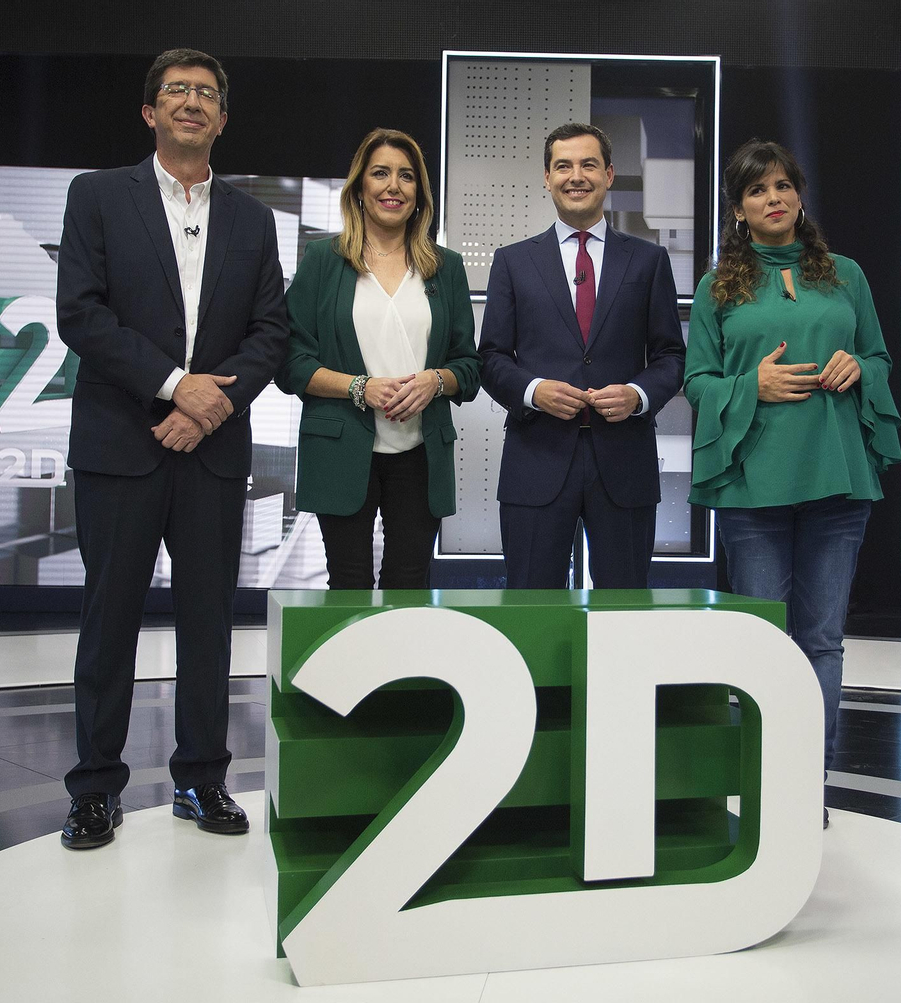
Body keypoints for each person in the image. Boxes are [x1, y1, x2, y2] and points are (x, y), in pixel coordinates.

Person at [54, 48, 289, 849]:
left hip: (212, 449)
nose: (191, 102)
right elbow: (80, 315)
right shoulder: (96, 197)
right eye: (176, 91)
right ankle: (94, 789)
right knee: (108, 621)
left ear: (223, 119)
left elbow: (270, 335)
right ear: (149, 112)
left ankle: (202, 779)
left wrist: (210, 403)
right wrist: (171, 383)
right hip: (122, 443)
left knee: (208, 625)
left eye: (207, 94)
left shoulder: (254, 220)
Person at [684, 140, 901, 812]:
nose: (772, 198)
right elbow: (697, 382)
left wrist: (859, 369)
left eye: (782, 185)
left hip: (836, 481)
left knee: (821, 640)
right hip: (754, 487)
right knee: (762, 643)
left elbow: (878, 357)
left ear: (799, 196)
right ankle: (760, 786)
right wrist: (752, 383)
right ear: (740, 209)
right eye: (756, 190)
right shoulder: (716, 288)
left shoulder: (848, 276)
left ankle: (807, 788)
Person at [479, 122, 685, 589]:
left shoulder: (649, 261)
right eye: (563, 166)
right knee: (532, 607)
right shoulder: (513, 261)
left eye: (589, 164)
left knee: (624, 610)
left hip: (624, 460)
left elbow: (672, 356)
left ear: (609, 174)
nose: (577, 176)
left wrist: (637, 393)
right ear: (547, 178)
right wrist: (534, 391)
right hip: (537, 457)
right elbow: (490, 356)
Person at [276, 128, 480, 588]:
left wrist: (436, 381)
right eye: (381, 173)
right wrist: (358, 387)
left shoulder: (445, 267)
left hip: (419, 452)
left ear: (419, 192)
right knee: (347, 585)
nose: (394, 186)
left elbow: (469, 366)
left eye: (406, 176)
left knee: (408, 584)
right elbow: (290, 361)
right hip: (341, 449)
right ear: (360, 188)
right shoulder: (323, 260)